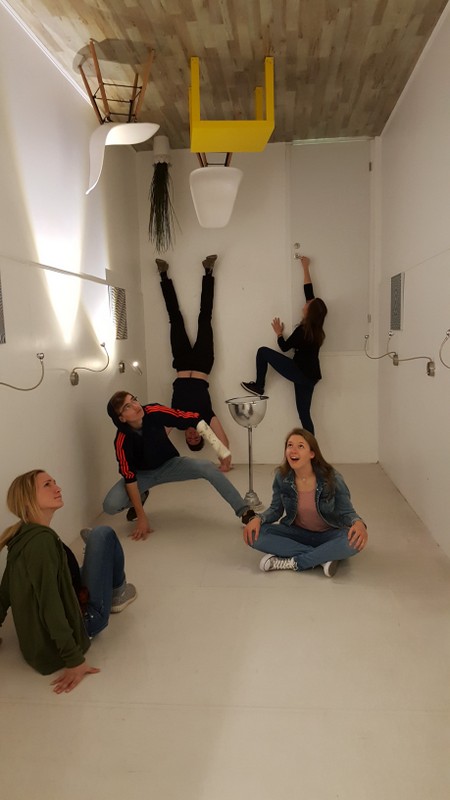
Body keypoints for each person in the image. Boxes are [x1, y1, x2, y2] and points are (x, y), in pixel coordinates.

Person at [0, 470, 136, 693]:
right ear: (27, 499)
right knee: (103, 534)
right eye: (47, 484)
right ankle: (118, 590)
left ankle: (94, 553)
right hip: (83, 623)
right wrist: (74, 660)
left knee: (94, 546)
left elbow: (4, 591)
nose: (58, 488)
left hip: (49, 630)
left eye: (55, 482)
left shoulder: (22, 536)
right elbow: (50, 605)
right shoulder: (42, 543)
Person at [103, 391, 254, 540]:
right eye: (127, 407)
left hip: (170, 465)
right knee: (110, 505)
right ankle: (141, 496)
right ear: (121, 418)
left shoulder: (153, 411)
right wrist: (141, 517)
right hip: (142, 475)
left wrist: (220, 448)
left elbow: (193, 418)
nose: (136, 406)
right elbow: (129, 478)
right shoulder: (121, 441)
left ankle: (244, 512)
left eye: (134, 399)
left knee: (208, 467)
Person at [242, 428, 368, 577]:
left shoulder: (332, 478)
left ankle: (295, 561)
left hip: (328, 534)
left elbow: (346, 512)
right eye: (290, 445)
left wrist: (358, 523)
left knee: (352, 542)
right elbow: (276, 510)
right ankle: (322, 558)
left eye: (300, 446)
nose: (293, 450)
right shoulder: (282, 477)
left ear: (312, 453)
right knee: (255, 535)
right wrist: (258, 519)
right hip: (297, 533)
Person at [156, 254, 232, 471]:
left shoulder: (175, 420)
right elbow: (223, 439)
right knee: (205, 317)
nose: (191, 436)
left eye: (189, 440)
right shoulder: (205, 419)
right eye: (196, 438)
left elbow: (159, 437)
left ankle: (163, 275)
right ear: (201, 435)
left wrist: (154, 461)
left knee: (175, 318)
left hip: (181, 363)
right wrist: (225, 462)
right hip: (202, 363)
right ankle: (208, 272)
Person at [241, 256, 327, 434]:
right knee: (304, 415)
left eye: (308, 304)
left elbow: (284, 347)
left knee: (263, 352)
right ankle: (312, 450)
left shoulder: (303, 331)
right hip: (311, 377)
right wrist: (305, 267)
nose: (306, 303)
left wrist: (279, 333)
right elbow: (309, 291)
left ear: (310, 311)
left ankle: (259, 386)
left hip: (300, 372)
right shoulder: (317, 327)